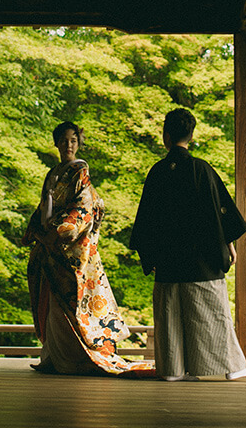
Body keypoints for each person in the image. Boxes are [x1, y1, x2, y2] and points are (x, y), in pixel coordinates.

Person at [21, 121, 155, 377]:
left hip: (69, 251)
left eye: (73, 140)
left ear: (78, 143)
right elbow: (43, 208)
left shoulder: (81, 172)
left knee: (70, 308)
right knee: (51, 306)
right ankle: (53, 357)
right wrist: (36, 231)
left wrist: (57, 233)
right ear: (56, 143)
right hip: (51, 249)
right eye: (63, 140)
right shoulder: (53, 174)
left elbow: (83, 209)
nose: (68, 145)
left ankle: (73, 359)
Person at [130, 107, 246, 381]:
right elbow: (219, 211)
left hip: (168, 262)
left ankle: (172, 369)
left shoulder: (158, 171)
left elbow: (147, 218)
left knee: (169, 316)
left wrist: (148, 256)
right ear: (191, 136)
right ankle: (232, 368)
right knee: (215, 316)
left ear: (167, 136)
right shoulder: (201, 169)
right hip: (202, 261)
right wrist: (228, 245)